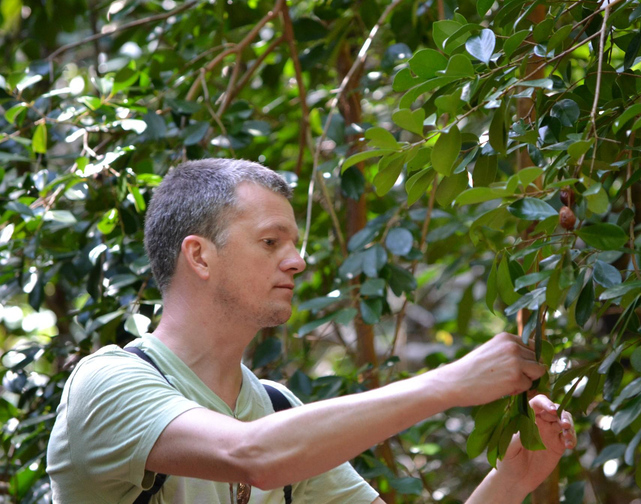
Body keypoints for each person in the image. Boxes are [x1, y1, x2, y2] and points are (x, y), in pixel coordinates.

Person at [46, 158, 576, 504]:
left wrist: (515, 478)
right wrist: (449, 383)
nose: (297, 262)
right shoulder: (106, 384)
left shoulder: (276, 408)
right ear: (200, 257)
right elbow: (251, 456)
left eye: (294, 244)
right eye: (272, 242)